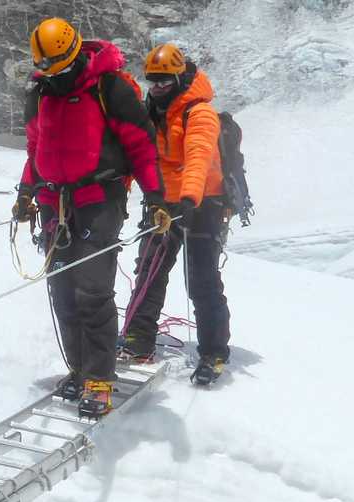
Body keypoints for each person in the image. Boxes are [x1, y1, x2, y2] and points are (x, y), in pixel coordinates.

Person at [13, 17, 169, 417]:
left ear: (74, 54)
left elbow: (141, 145)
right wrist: (26, 193)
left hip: (99, 199)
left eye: (60, 67)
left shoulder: (110, 88)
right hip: (53, 203)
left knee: (92, 290)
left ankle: (100, 377)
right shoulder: (41, 91)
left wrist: (155, 199)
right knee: (62, 290)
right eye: (48, 69)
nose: (55, 75)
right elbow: (36, 148)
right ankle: (80, 369)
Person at [119, 43, 232, 386]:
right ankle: (139, 339)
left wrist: (188, 197)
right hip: (163, 204)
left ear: (180, 78)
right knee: (150, 270)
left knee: (202, 279)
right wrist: (122, 194)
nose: (156, 88)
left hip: (203, 203)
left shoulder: (199, 112)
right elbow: (134, 153)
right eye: (152, 81)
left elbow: (198, 156)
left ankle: (213, 352)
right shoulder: (151, 109)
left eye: (164, 82)